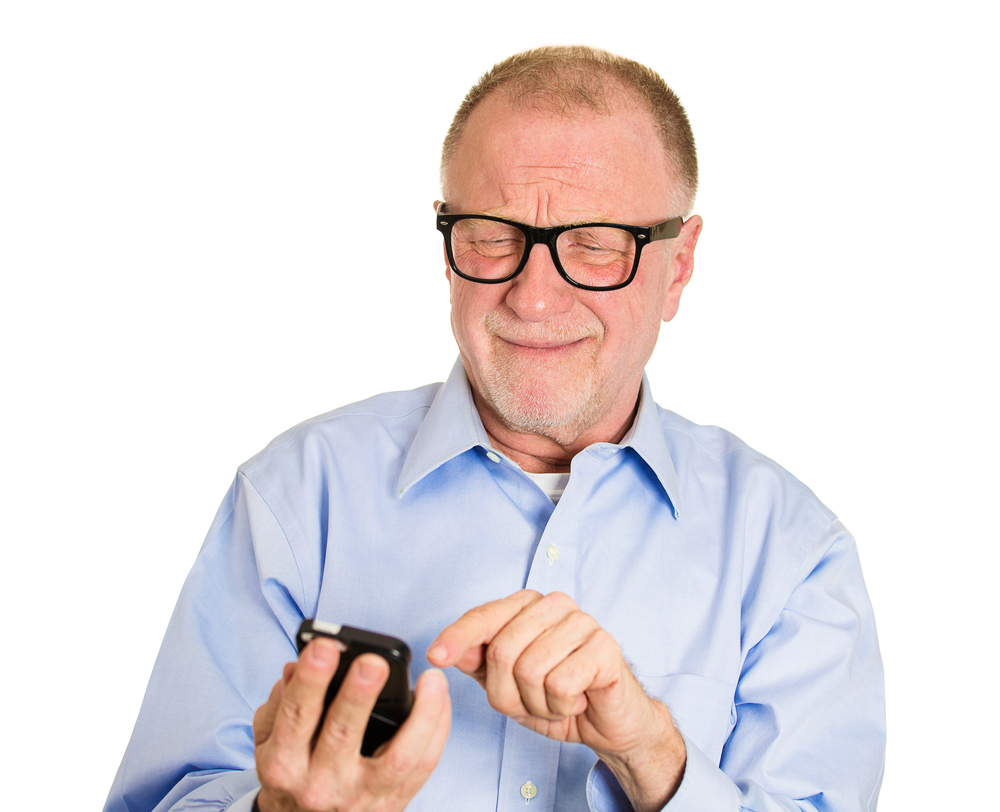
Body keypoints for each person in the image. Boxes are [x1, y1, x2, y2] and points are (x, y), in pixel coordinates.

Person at [105, 46, 885, 812]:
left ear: (677, 266)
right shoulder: (295, 499)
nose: (534, 297)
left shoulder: (793, 556)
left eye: (594, 243)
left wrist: (655, 757)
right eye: (490, 234)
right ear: (446, 249)